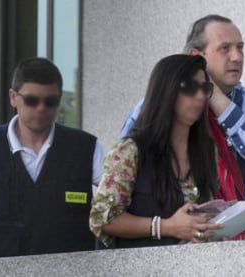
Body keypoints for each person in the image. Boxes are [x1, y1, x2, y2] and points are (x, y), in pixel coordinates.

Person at [119, 14, 245, 239]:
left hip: (242, 241)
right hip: (176, 241)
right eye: (225, 48)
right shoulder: (157, 104)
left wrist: (218, 100)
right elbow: (122, 171)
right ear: (196, 57)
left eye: (240, 47)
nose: (236, 57)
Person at [0, 57, 105, 259]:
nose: (41, 108)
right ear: (13, 97)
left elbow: (122, 198)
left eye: (51, 101)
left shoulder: (87, 149)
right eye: (32, 101)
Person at [90, 54, 222, 248]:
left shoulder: (208, 151)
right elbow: (102, 218)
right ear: (166, 90)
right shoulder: (130, 150)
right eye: (190, 87)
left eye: (205, 88)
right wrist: (165, 227)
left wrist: (215, 230)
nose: (200, 96)